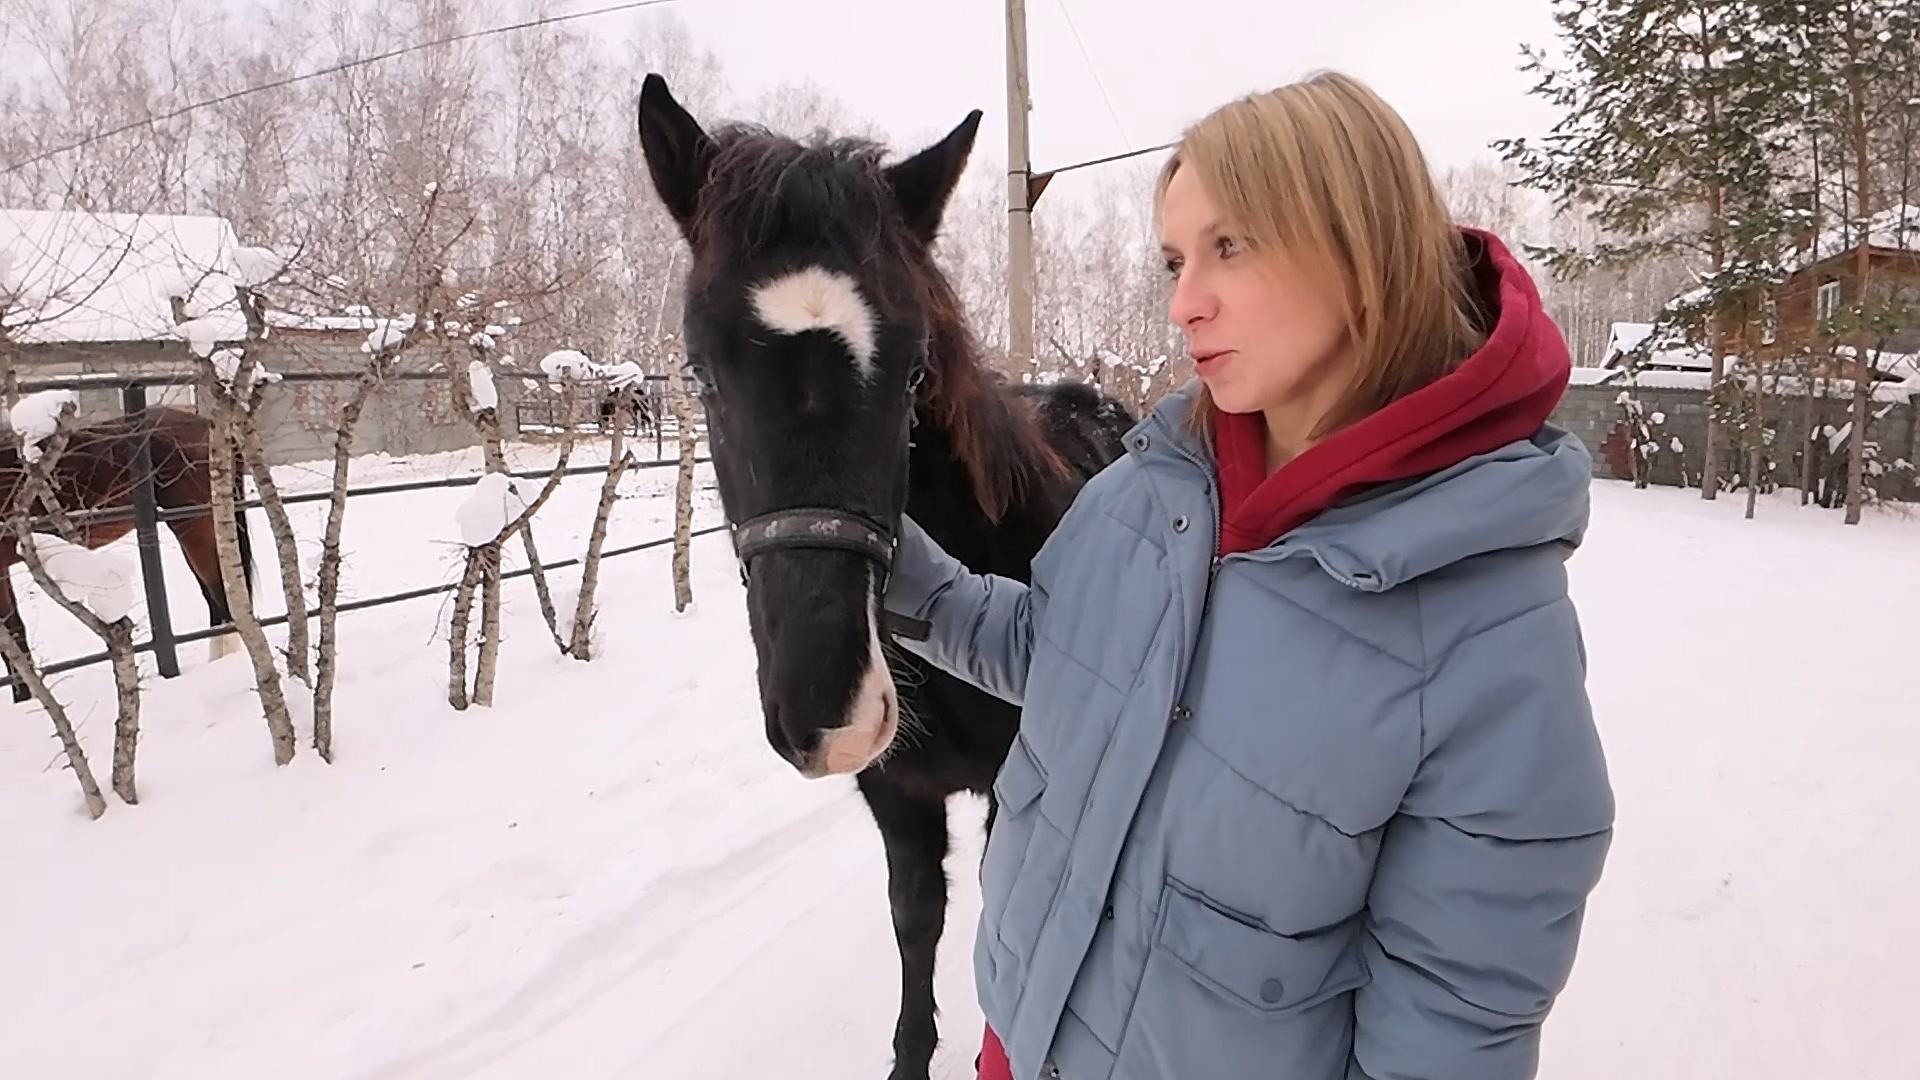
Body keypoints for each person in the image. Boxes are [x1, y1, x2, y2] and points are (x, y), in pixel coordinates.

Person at [881, 69, 1615, 1080]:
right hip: (1020, 1045)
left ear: (1359, 248)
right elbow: (1058, 658)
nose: (1184, 302)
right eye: (1176, 258)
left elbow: (1449, 1036)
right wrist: (910, 574)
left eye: (1229, 246)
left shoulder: (1489, 639)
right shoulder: (1146, 488)